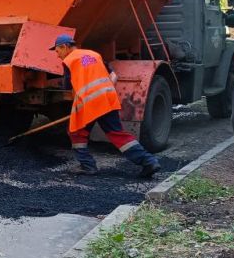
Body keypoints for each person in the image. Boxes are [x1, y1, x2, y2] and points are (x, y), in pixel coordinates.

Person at [51, 34, 161, 177]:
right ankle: (149, 161)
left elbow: (68, 87)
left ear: (65, 47)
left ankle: (87, 166)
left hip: (90, 103)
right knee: (117, 134)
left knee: (76, 133)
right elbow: (113, 76)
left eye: (57, 51)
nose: (57, 54)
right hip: (107, 100)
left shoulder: (69, 61)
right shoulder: (94, 55)